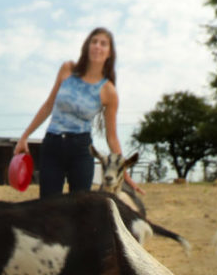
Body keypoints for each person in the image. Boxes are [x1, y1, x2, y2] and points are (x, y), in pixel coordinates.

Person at [13, 27, 142, 200]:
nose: (97, 46)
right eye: (94, 42)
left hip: (81, 150)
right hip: (52, 145)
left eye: (103, 44)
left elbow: (111, 137)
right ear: (87, 46)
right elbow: (48, 105)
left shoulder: (108, 91)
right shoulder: (67, 69)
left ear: (109, 53)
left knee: (80, 208)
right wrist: (25, 136)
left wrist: (124, 173)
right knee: (48, 207)